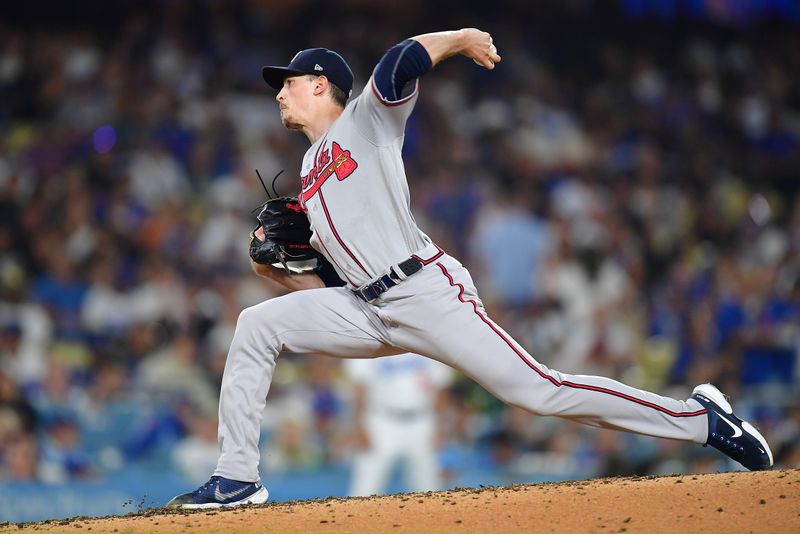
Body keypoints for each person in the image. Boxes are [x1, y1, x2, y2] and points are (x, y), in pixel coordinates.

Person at [167, 28, 772, 508]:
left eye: (290, 82)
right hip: (365, 307)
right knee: (256, 324)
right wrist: (283, 281)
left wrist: (459, 38)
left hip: (425, 291)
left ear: (322, 84)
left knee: (538, 392)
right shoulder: (306, 174)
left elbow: (400, 59)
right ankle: (237, 478)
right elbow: (332, 281)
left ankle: (702, 421)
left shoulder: (365, 124)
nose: (279, 92)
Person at [345, 353, 453, 496]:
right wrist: (360, 426)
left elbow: (441, 386)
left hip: (422, 420)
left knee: (429, 489)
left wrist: (440, 428)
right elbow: (359, 387)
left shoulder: (429, 336)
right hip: (380, 420)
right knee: (365, 490)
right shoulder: (371, 337)